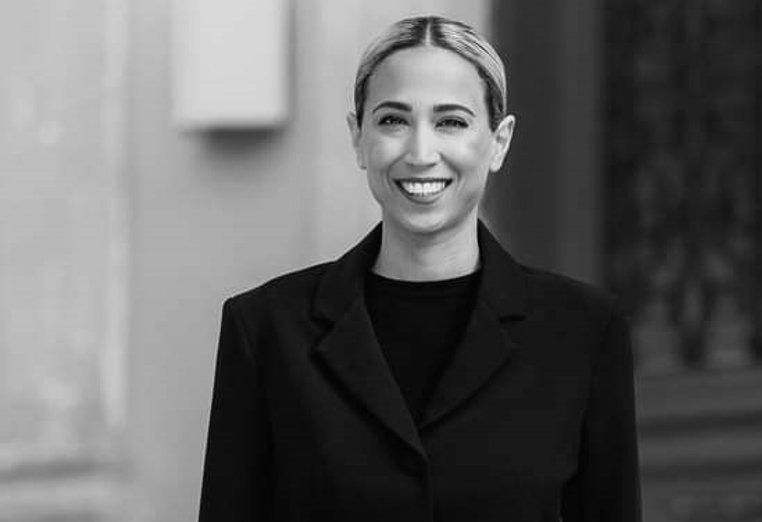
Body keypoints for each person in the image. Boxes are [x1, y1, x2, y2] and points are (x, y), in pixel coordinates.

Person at [199, 15, 639, 522]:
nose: (421, 153)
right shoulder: (266, 329)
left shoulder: (583, 331)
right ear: (357, 137)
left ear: (499, 141)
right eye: (393, 121)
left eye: (451, 122)